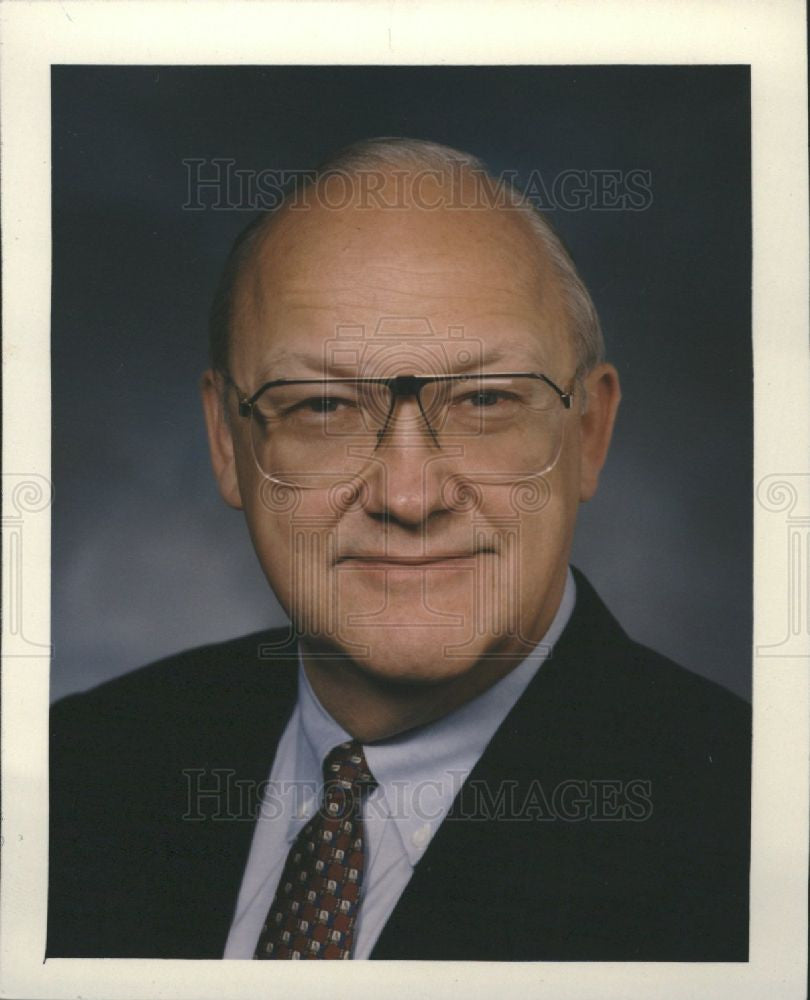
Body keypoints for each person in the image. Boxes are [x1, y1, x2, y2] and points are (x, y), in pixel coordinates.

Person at [48, 137, 750, 961]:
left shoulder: (744, 826)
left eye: (486, 399)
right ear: (224, 441)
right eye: (320, 408)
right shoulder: (78, 771)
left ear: (588, 432)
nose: (408, 497)